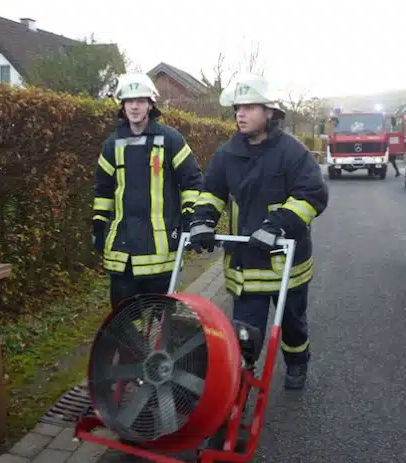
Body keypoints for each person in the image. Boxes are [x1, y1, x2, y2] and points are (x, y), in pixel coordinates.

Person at [189, 74, 329, 390]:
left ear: (269, 112)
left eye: (249, 107)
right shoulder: (227, 154)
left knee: (293, 326)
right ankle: (240, 385)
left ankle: (296, 363)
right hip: (246, 265)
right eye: (238, 107)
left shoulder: (292, 152)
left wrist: (278, 224)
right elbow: (211, 192)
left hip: (285, 266)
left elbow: (312, 194)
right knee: (244, 333)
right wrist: (202, 221)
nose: (240, 114)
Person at [92, 73, 203, 309]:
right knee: (125, 324)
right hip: (122, 254)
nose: (134, 106)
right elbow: (103, 190)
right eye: (129, 101)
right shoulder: (112, 145)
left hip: (160, 252)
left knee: (161, 323)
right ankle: (133, 348)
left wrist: (189, 217)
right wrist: (99, 225)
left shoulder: (171, 140)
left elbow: (192, 182)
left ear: (150, 104)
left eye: (140, 100)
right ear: (121, 105)